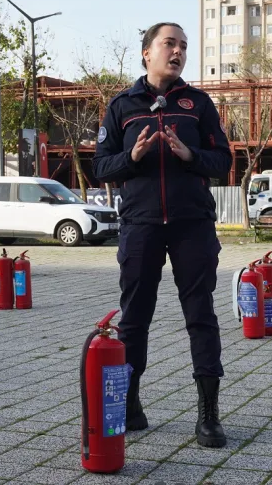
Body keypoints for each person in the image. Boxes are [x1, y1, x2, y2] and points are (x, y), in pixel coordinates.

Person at [92, 22, 232, 448]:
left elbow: (223, 161)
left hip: (193, 225)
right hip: (141, 225)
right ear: (147, 52)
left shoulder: (198, 104)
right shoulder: (122, 106)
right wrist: (131, 157)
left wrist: (190, 155)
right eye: (170, 44)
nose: (178, 52)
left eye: (184, 46)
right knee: (134, 318)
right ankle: (130, 404)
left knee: (201, 316)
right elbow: (100, 167)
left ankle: (208, 414)